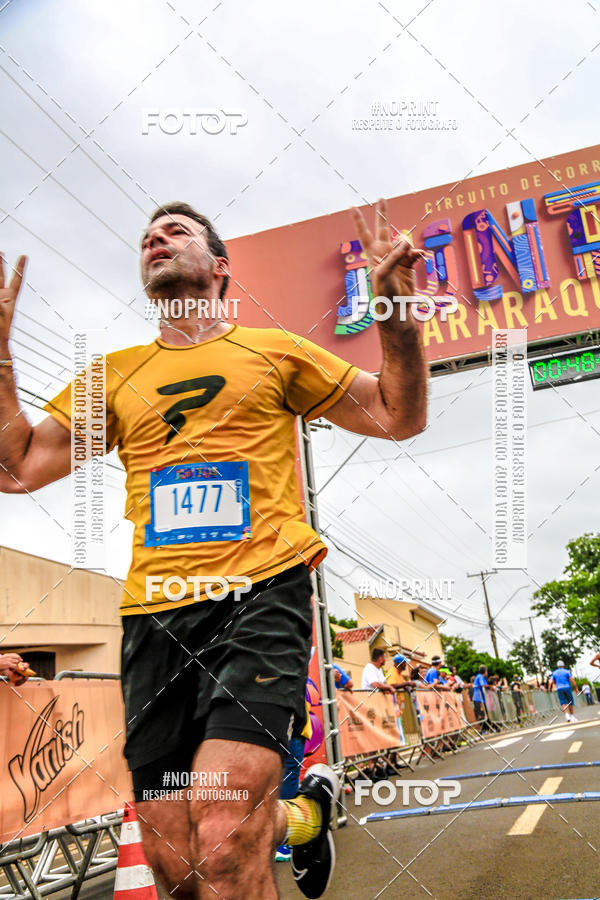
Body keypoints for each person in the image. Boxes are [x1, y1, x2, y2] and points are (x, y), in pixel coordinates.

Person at [0, 199, 427, 899]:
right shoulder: (114, 375)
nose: (156, 240)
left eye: (176, 232)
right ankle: (307, 815)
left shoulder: (276, 352)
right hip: (155, 617)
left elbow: (397, 415)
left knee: (225, 831)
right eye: (147, 237)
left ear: (220, 267)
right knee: (179, 862)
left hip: (259, 595)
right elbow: (16, 466)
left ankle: (287, 819)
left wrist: (396, 318)